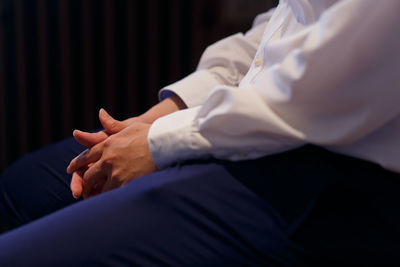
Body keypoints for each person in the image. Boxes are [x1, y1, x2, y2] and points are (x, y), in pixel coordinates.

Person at [0, 0, 399, 265]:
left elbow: (319, 91)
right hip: (266, 127)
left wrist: (157, 143)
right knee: (25, 185)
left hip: (338, 177)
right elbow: (282, 29)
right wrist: (161, 114)